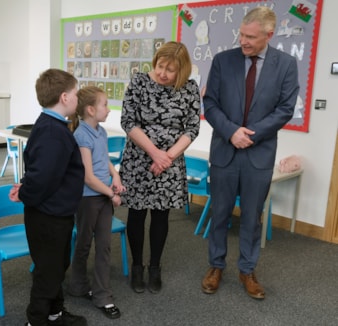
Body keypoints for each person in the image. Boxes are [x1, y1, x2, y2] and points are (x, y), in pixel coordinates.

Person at [201, 6, 299, 300]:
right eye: (241, 34)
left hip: (259, 153)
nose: (243, 41)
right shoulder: (222, 61)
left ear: (269, 35)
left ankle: (247, 269)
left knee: (252, 216)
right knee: (219, 213)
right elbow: (211, 104)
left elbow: (285, 108)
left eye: (251, 37)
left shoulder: (286, 64)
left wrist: (250, 135)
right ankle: (216, 265)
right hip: (224, 151)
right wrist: (232, 131)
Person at [119, 41, 201, 294]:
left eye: (170, 69)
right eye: (160, 66)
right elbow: (128, 121)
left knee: (161, 214)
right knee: (136, 213)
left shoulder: (189, 89)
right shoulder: (139, 82)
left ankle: (155, 266)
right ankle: (137, 266)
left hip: (170, 162)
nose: (163, 73)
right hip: (139, 158)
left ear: (182, 70)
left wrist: (168, 157)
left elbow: (192, 128)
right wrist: (155, 153)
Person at [8, 68, 87, 326]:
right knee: (48, 272)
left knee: (56, 266)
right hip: (48, 217)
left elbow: (38, 169)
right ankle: (37, 320)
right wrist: (26, 192)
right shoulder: (54, 132)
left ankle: (55, 312)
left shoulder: (50, 125)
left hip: (54, 213)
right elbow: (43, 178)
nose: (78, 99)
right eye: (75, 94)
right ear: (64, 97)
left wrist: (24, 188)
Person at [67, 86, 125, 319]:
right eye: (104, 104)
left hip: (103, 196)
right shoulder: (81, 135)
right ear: (90, 109)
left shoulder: (100, 131)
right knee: (83, 244)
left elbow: (105, 160)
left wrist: (116, 175)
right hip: (88, 199)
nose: (109, 109)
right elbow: (88, 177)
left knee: (104, 245)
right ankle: (78, 285)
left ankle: (102, 296)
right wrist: (112, 195)